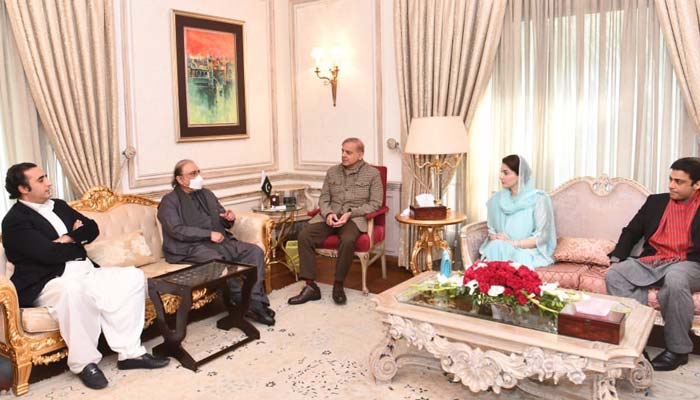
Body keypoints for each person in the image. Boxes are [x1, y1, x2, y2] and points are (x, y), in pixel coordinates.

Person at [1, 163, 169, 390]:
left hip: (86, 270)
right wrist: (77, 241)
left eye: (46, 177)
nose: (48, 182)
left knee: (133, 277)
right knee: (75, 291)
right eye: (40, 179)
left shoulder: (59, 206)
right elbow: (47, 254)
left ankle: (130, 353)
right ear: (23, 188)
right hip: (50, 281)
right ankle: (84, 364)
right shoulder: (14, 221)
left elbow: (92, 229)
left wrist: (68, 238)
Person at [606, 157, 700, 371]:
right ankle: (637, 342)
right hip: (655, 259)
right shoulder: (655, 202)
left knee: (675, 279)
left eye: (679, 181)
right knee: (615, 275)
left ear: (697, 185)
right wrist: (616, 258)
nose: (671, 185)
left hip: (690, 262)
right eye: (670, 179)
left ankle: (678, 350)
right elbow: (631, 231)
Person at [158, 159, 275, 326]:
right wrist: (207, 234)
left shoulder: (207, 194)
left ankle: (255, 301)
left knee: (254, 251)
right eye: (192, 173)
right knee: (219, 260)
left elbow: (222, 217)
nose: (198, 176)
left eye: (198, 172)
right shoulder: (169, 202)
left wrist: (229, 218)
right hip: (189, 248)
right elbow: (176, 230)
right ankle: (243, 302)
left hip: (219, 240)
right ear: (180, 179)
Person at [288, 137, 383, 305]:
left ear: (360, 155)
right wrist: (328, 213)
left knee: (347, 240)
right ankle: (310, 286)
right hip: (330, 217)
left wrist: (350, 214)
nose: (343, 155)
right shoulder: (332, 172)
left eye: (348, 152)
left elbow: (375, 203)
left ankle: (338, 285)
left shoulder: (372, 174)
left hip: (354, 219)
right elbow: (324, 199)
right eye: (342, 151)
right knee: (304, 235)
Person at [479, 154, 556, 269]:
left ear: (520, 175)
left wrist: (513, 243)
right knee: (496, 246)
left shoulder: (539, 199)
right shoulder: (496, 199)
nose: (501, 176)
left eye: (506, 173)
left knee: (519, 256)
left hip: (527, 250)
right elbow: (492, 232)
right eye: (501, 172)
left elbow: (540, 238)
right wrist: (497, 237)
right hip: (501, 246)